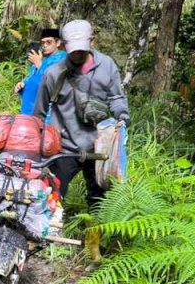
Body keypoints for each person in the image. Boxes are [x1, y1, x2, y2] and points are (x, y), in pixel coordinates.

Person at [33, 20, 130, 207]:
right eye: (73, 49)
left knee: (99, 200)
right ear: (64, 45)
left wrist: (123, 116)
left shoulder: (107, 66)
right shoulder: (54, 73)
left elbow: (117, 97)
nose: (77, 54)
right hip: (64, 147)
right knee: (52, 195)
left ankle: (92, 233)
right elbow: (39, 113)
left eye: (81, 49)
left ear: (91, 41)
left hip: (99, 147)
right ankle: (49, 232)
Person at [15, 28, 66, 115]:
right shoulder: (41, 60)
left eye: (49, 42)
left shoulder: (63, 59)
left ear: (58, 43)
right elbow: (34, 82)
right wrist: (22, 86)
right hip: (28, 111)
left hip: (46, 114)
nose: (45, 45)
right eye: (43, 43)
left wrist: (39, 65)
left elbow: (54, 84)